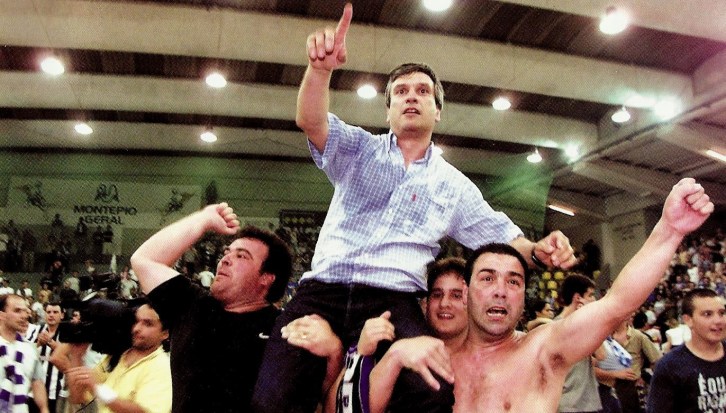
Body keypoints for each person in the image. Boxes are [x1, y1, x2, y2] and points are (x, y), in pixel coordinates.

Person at [252, 4, 576, 412]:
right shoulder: (359, 150)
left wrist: (542, 250)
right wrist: (319, 70)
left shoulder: (453, 187)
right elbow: (311, 120)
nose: (411, 97)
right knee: (272, 398)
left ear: (437, 111)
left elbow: (506, 239)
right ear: (388, 110)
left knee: (432, 390)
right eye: (401, 92)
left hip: (393, 300)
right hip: (322, 293)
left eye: (422, 91)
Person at [366, 178, 713, 413]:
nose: (501, 290)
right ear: (467, 292)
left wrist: (669, 230)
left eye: (514, 281)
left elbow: (617, 303)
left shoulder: (543, 350)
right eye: (487, 278)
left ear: (523, 296)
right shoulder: (430, 358)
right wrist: (391, 355)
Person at [129, 203, 293, 413]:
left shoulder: (284, 331)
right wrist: (203, 219)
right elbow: (144, 260)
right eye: (227, 252)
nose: (225, 260)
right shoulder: (193, 307)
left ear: (266, 278)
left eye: (241, 256)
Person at [63, 303, 172, 413]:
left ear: (165, 333)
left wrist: (98, 389)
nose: (137, 328)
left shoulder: (162, 368)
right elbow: (78, 398)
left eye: (148, 324)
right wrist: (77, 355)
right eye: (136, 321)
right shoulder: (118, 357)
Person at [646, 288, 726, 413]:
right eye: (707, 314)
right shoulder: (670, 366)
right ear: (688, 320)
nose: (718, 320)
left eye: (722, 313)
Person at [556, 274, 602, 413]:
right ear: (578, 298)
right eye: (590, 295)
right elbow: (601, 354)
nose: (594, 299)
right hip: (570, 403)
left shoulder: (577, 324)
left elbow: (601, 355)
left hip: (583, 402)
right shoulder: (559, 327)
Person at [0, 294, 50, 413]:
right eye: (17, 311)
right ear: (2, 315)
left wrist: (44, 409)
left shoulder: (30, 349)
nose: (24, 316)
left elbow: (37, 384)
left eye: (25, 311)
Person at [32, 302, 66, 413]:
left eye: (55, 312)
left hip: (56, 391)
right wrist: (38, 343)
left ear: (62, 315)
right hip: (34, 391)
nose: (51, 315)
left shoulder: (67, 333)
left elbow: (70, 356)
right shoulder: (36, 329)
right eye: (48, 312)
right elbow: (26, 351)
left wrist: (52, 344)